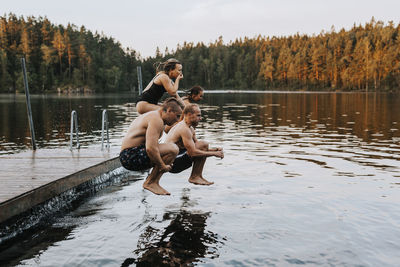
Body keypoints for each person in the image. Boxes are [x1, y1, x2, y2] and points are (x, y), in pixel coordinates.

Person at [120, 98, 183, 195]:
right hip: (130, 156)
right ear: (169, 110)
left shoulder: (155, 116)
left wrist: (166, 160)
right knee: (173, 149)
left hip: (130, 155)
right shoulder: (156, 119)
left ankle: (153, 181)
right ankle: (151, 182)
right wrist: (162, 165)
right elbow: (150, 148)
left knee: (171, 150)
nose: (178, 120)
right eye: (177, 116)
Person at [165, 104, 224, 185]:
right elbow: (193, 152)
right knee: (203, 144)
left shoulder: (190, 128)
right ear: (189, 114)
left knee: (203, 145)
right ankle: (194, 177)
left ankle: (198, 176)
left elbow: (199, 148)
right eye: (198, 116)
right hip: (172, 164)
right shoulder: (184, 128)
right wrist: (214, 154)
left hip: (179, 156)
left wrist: (215, 150)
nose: (200, 118)